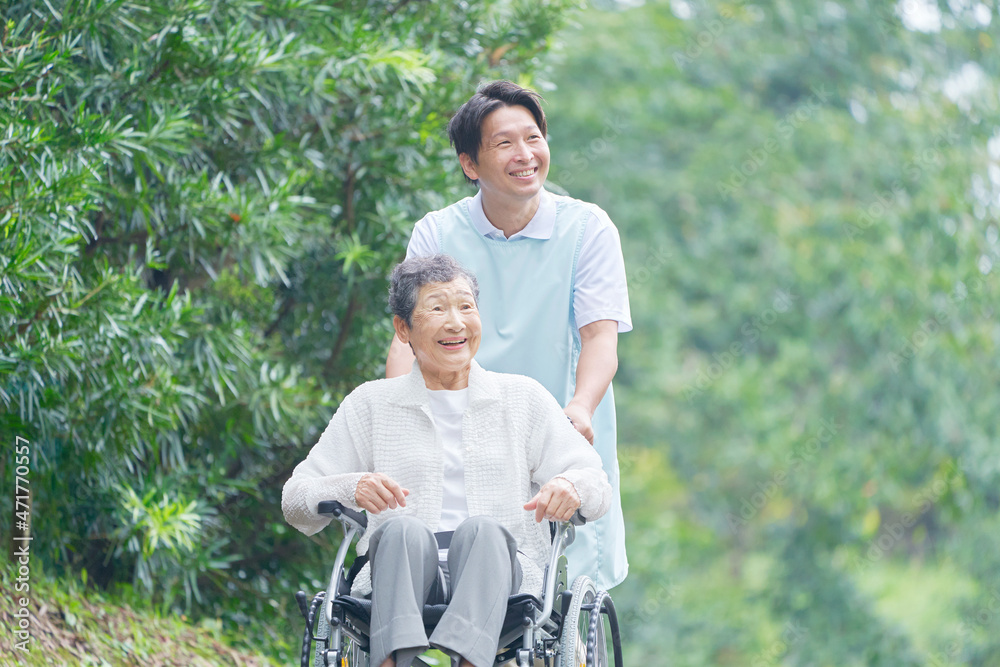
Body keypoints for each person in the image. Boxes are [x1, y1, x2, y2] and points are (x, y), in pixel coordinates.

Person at [283, 254, 611, 667]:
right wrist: (350, 486)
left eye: (466, 307)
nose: (456, 322)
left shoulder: (522, 398)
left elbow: (595, 481)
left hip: (504, 579)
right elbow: (295, 498)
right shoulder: (371, 404)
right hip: (399, 577)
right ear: (404, 329)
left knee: (483, 533)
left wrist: (571, 486)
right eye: (437, 308)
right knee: (402, 530)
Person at [386, 80, 631, 591]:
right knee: (447, 567)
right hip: (459, 424)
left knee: (556, 593)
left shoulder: (587, 229)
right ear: (469, 164)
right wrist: (397, 415)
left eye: (534, 138)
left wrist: (581, 408)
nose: (526, 155)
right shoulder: (438, 233)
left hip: (556, 431)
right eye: (504, 143)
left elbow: (599, 337)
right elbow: (407, 341)